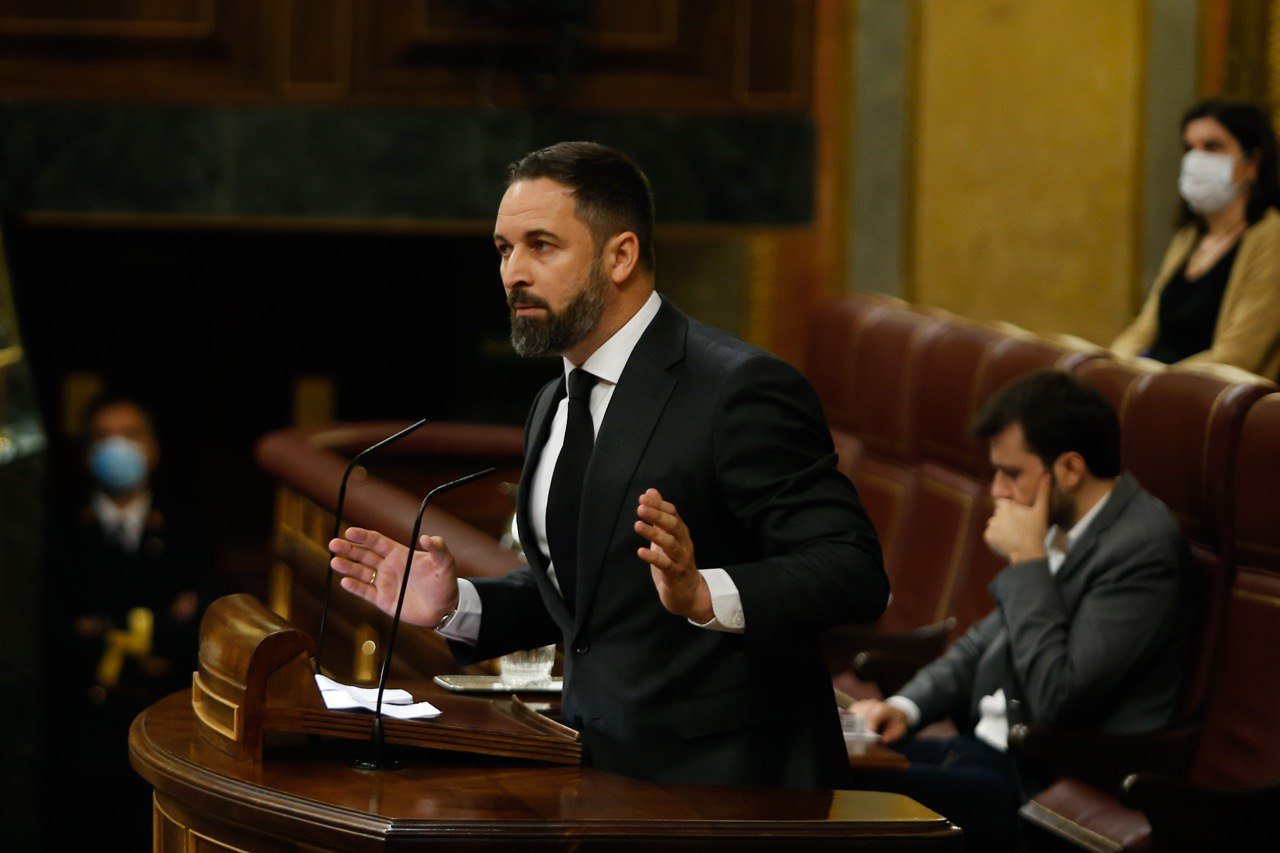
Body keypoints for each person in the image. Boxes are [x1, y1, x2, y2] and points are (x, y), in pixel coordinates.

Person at [330, 141, 888, 788]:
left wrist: (707, 592)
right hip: (598, 775)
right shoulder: (554, 400)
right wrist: (458, 603)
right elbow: (591, 596)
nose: (513, 272)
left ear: (620, 255)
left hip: (735, 792)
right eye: (503, 249)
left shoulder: (738, 389)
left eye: (542, 245)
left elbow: (852, 570)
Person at [850, 370, 1194, 851]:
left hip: (1035, 777)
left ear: (1070, 469)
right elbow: (982, 641)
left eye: (1012, 473)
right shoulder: (1066, 522)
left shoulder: (1143, 551)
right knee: (819, 748)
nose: (997, 491)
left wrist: (1028, 560)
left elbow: (1058, 695)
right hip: (981, 750)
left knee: (838, 782)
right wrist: (906, 706)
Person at [45, 393, 206, 846]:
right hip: (76, 740)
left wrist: (100, 627)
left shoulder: (186, 527)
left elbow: (195, 633)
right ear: (86, 453)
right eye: (104, 437)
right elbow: (54, 634)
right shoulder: (56, 531)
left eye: (130, 435)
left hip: (162, 731)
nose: (118, 447)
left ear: (152, 449)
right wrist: (157, 623)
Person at [1112, 99, 1280, 378]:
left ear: (1252, 164)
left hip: (1208, 403)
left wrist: (1150, 384)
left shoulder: (1270, 238)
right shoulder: (1189, 237)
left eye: (1212, 147)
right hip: (1154, 388)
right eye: (1190, 148)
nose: (1196, 160)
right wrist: (1112, 369)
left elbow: (1239, 354)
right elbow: (1144, 329)